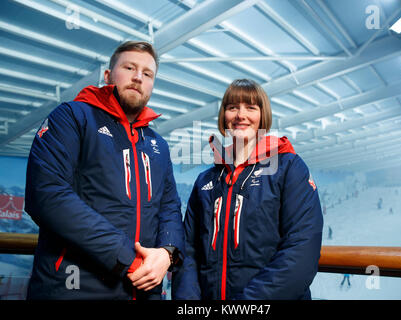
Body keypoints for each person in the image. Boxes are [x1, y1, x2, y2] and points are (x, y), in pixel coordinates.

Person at [25, 41, 184, 300]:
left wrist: (167, 253)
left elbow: (169, 207)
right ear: (108, 75)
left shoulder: (158, 144)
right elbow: (47, 195)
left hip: (143, 289)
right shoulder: (72, 117)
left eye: (147, 73)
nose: (137, 77)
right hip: (74, 288)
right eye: (129, 67)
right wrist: (128, 260)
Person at [172, 79, 323, 300]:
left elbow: (301, 250)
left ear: (263, 116)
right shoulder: (206, 180)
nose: (240, 115)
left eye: (250, 108)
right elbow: (189, 250)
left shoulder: (289, 167)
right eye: (233, 107)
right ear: (224, 116)